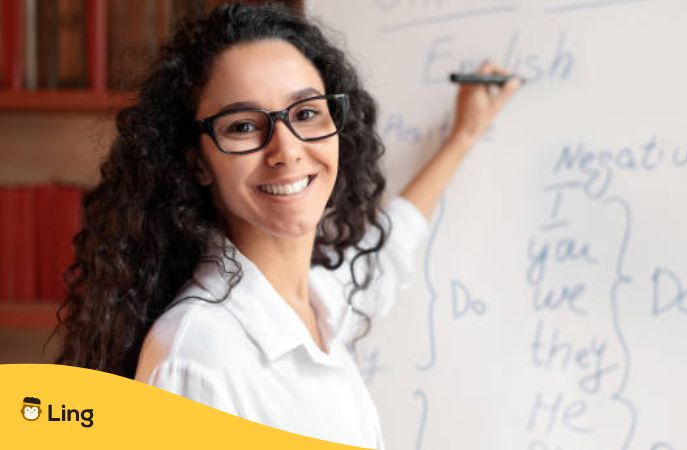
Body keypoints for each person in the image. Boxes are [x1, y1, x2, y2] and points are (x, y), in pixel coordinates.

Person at [51, 2, 519, 448]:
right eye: (243, 126)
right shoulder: (198, 356)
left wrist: (463, 136)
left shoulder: (321, 301)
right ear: (197, 163)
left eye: (307, 113)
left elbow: (389, 252)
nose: (287, 150)